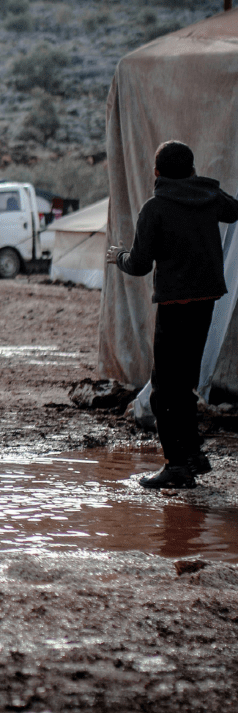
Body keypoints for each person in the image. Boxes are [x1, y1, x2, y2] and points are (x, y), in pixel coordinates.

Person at [106, 140, 238, 489]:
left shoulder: (156, 207)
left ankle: (176, 466)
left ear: (157, 172)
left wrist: (118, 256)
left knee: (165, 390)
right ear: (192, 169)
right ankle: (193, 455)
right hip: (206, 303)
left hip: (175, 306)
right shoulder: (210, 197)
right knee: (185, 384)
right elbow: (234, 211)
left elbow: (139, 265)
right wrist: (205, 185)